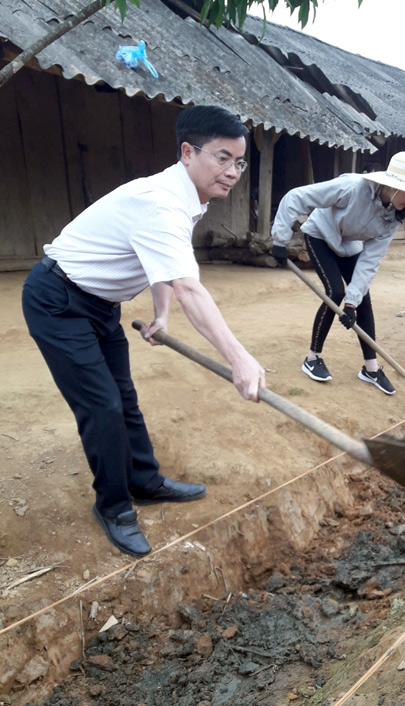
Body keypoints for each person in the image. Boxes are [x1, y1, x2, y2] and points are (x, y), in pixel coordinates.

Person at [22, 106, 266, 558]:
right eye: (223, 158)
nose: (232, 172)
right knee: (103, 405)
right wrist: (239, 359)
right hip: (57, 302)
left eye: (239, 162)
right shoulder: (161, 203)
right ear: (188, 152)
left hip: (98, 305)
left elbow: (161, 267)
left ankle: (144, 480)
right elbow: (190, 287)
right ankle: (113, 506)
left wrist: (161, 315)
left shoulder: (186, 197)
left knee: (124, 398)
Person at [270, 152, 405, 395]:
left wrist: (352, 304)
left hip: (348, 244)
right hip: (320, 234)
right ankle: (313, 358)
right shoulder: (352, 187)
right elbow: (297, 197)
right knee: (335, 291)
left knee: (362, 299)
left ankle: (370, 369)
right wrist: (280, 239)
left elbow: (370, 260)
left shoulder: (393, 216)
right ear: (392, 186)